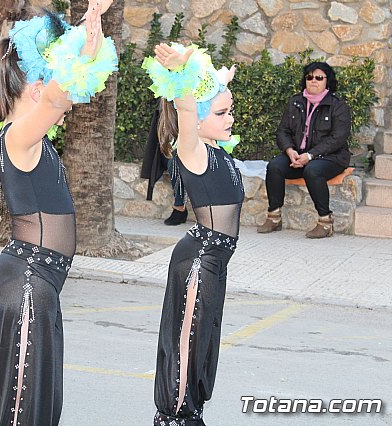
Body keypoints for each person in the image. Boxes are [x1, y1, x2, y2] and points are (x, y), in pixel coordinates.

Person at [0, 3, 117, 425]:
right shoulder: (19, 135)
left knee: (32, 402)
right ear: (36, 87)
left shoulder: (31, 139)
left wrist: (81, 37)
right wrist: (86, 45)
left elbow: (56, 88)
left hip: (37, 281)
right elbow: (59, 95)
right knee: (22, 406)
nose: (67, 92)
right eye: (51, 75)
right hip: (28, 282)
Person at [143, 43, 242, 425]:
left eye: (229, 109)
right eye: (220, 112)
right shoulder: (194, 151)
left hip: (213, 264)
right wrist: (185, 76)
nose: (229, 117)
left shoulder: (218, 151)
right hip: (199, 263)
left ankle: (190, 410)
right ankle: (176, 417)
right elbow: (184, 107)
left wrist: (215, 80)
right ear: (197, 119)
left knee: (202, 344)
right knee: (186, 345)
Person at [257, 62, 351, 238]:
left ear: (327, 81)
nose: (313, 81)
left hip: (331, 157)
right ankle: (274, 217)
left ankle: (325, 222)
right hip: (299, 154)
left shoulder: (338, 106)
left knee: (313, 170)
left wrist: (311, 155)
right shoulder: (296, 102)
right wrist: (289, 150)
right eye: (309, 77)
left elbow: (337, 138)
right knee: (275, 166)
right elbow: (283, 130)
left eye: (318, 77)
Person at [141, 100, 188, 225]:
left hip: (194, 148)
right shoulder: (166, 105)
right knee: (174, 163)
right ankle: (179, 207)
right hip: (172, 152)